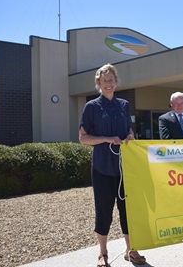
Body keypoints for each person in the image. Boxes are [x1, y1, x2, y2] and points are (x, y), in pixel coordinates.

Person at [79, 64, 146, 266]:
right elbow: (83, 138)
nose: (108, 84)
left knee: (128, 211)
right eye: (104, 80)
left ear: (116, 82)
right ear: (98, 82)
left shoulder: (124, 105)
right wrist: (107, 139)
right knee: (103, 210)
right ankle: (103, 253)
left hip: (124, 168)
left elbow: (129, 130)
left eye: (111, 80)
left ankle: (131, 250)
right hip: (102, 168)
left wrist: (130, 137)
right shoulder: (91, 107)